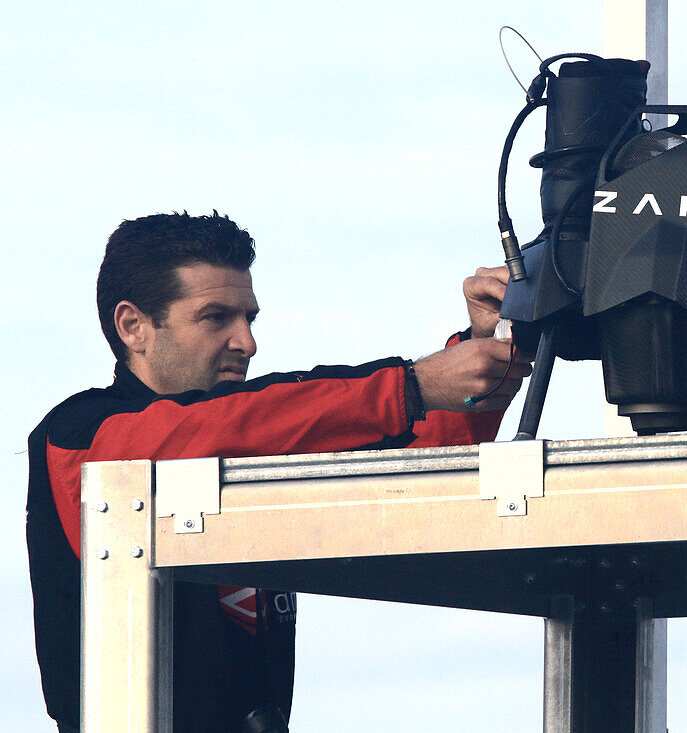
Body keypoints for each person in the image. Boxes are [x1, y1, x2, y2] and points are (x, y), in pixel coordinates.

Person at [26, 211, 531, 732]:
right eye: (215, 317)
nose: (247, 342)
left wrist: (487, 339)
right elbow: (214, 427)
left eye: (249, 318)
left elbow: (410, 471)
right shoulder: (82, 437)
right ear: (133, 326)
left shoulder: (255, 439)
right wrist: (411, 386)